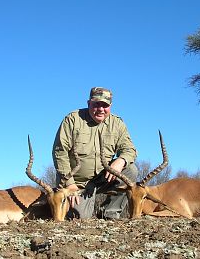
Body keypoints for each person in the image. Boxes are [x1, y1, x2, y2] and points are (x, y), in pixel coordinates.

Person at [52, 87, 138, 219]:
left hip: (103, 178)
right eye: (96, 104)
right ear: (88, 103)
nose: (101, 109)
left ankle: (109, 214)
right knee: (78, 218)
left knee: (130, 171)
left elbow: (129, 150)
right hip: (77, 183)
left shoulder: (117, 124)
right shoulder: (73, 119)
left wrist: (120, 161)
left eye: (105, 105)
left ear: (110, 106)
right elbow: (60, 153)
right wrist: (70, 184)